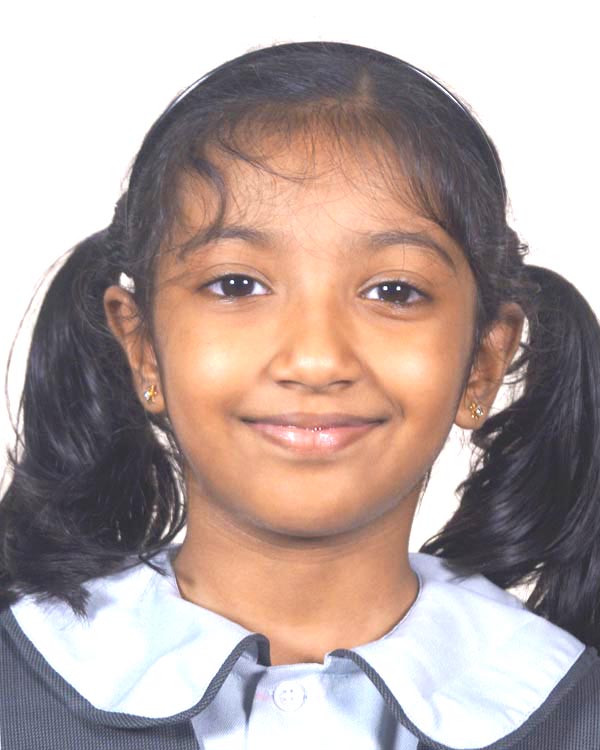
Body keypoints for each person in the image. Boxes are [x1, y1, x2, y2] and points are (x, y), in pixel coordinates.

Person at [0, 41, 599, 749]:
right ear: (143, 348)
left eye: (394, 291)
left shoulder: (569, 707)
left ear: (482, 363)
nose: (316, 360)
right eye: (236, 285)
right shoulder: (22, 681)